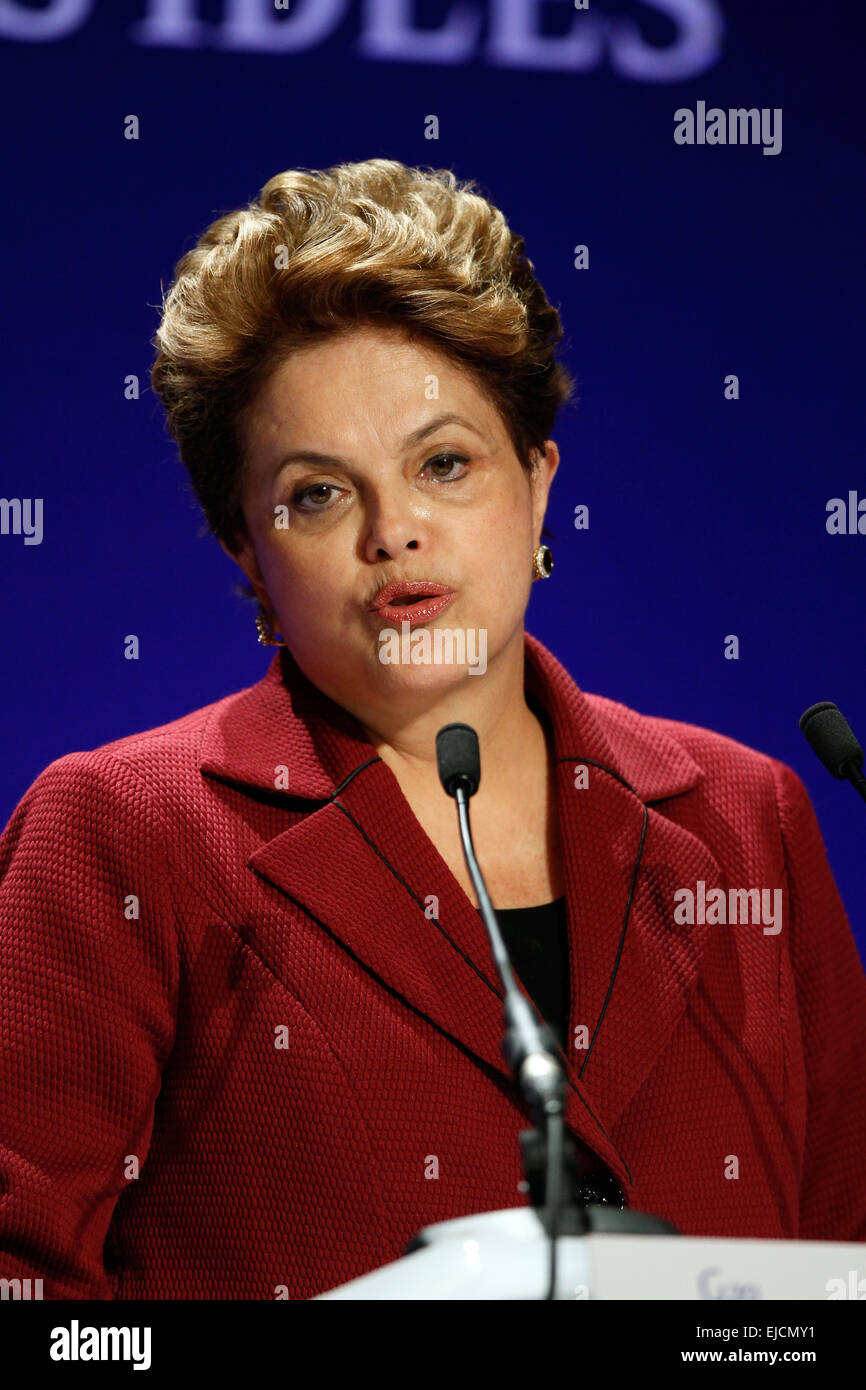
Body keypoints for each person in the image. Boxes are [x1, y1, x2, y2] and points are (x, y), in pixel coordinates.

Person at [1, 159, 864, 1302]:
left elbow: (840, 1253)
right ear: (246, 558)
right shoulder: (122, 834)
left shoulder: (746, 814)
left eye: (443, 464)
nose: (394, 531)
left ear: (538, 482)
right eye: (316, 493)